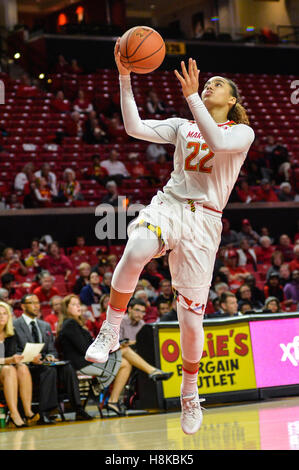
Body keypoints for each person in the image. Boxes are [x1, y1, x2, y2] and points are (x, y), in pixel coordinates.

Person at [85, 43, 254, 435]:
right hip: (170, 204)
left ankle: (190, 391)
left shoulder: (241, 132)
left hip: (205, 223)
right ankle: (111, 328)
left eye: (216, 85)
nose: (208, 86)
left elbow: (218, 144)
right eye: (205, 84)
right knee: (136, 249)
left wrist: (194, 96)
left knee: (191, 323)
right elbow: (134, 127)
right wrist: (125, 75)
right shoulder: (184, 125)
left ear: (232, 99)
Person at [57, 294, 172, 416]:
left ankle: (113, 401)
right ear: (66, 308)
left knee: (126, 364)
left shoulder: (77, 324)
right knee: (126, 350)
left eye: (78, 304)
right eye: (74, 305)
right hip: (82, 364)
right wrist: (111, 348)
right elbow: (85, 349)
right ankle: (153, 372)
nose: (78, 307)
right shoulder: (69, 324)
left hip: (89, 361)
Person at [13, 294, 93, 423]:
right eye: (32, 303)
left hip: (43, 363)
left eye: (38, 303)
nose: (36, 306)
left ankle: (78, 409)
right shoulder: (15, 325)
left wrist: (51, 356)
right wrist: (29, 358)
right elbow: (13, 350)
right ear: (23, 306)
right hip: (26, 365)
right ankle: (45, 412)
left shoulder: (44, 325)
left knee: (68, 367)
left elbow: (51, 349)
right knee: (48, 371)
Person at [0, 301, 39, 427]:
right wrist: (8, 361)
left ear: (9, 317)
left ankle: (28, 412)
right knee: (8, 369)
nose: (2, 316)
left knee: (22, 367)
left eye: (5, 313)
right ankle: (14, 413)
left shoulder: (11, 333)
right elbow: (8, 360)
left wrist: (27, 358)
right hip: (4, 368)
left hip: (7, 369)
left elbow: (12, 356)